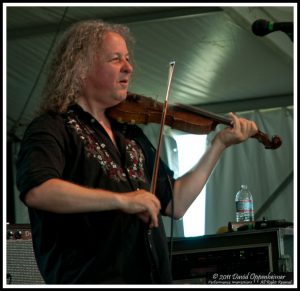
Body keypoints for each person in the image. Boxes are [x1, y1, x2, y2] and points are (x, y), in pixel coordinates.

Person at [16, 19, 258, 284]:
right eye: (115, 59)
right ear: (81, 68)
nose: (129, 67)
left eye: (128, 59)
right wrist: (122, 200)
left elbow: (176, 202)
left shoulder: (130, 133)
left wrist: (219, 144)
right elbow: (39, 191)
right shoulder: (52, 127)